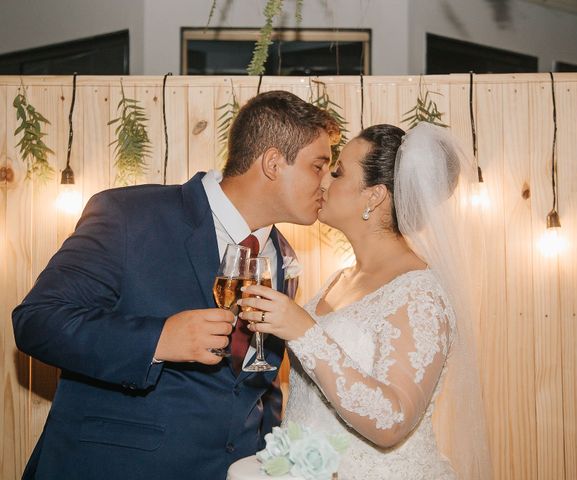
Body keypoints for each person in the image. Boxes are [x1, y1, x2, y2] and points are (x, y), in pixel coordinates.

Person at [12, 90, 339, 480]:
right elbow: (37, 322)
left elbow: (257, 382)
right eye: (318, 166)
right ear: (272, 163)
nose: (327, 184)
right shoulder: (131, 215)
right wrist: (159, 340)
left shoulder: (280, 256)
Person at [238, 122, 493, 479]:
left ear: (374, 196)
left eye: (338, 172)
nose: (324, 180)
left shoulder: (419, 294)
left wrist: (304, 331)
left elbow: (391, 422)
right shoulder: (338, 279)